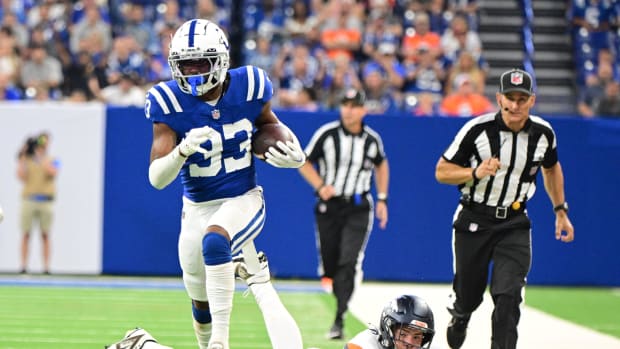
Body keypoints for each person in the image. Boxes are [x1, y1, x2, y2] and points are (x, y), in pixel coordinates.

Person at [145, 19, 305, 349]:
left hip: (243, 198)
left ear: (220, 61)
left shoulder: (250, 86)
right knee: (198, 300)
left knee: (216, 241)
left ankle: (220, 342)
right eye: (184, 65)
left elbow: (271, 127)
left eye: (200, 63)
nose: (191, 73)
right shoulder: (168, 101)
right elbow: (157, 179)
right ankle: (208, 342)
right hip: (195, 208)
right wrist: (181, 151)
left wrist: (295, 154)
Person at [435, 68, 575, 349]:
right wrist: (475, 172)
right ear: (499, 99)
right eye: (509, 98)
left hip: (514, 221)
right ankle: (461, 313)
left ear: (532, 101)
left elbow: (551, 169)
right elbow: (442, 171)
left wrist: (560, 210)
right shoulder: (477, 130)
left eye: (522, 99)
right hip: (474, 218)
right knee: (469, 293)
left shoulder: (543, 134)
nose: (515, 105)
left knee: (509, 298)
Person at [298, 88, 389, 340]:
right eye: (345, 104)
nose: (349, 110)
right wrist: (320, 186)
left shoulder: (372, 140)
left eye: (354, 105)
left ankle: (339, 317)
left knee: (348, 261)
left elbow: (382, 164)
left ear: (363, 110)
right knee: (331, 263)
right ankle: (333, 283)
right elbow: (304, 161)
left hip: (358, 207)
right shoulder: (327, 134)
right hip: (330, 207)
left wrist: (382, 198)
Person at [16, 132, 59, 274]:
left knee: (45, 234)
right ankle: (23, 266)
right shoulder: (28, 159)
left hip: (46, 201)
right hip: (29, 199)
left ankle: (46, 267)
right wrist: (22, 156)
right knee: (26, 233)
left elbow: (53, 172)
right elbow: (21, 176)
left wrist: (40, 157)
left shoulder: (52, 159)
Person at [345, 294, 435, 349]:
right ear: (388, 330)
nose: (410, 343)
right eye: (403, 334)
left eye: (416, 337)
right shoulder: (363, 345)